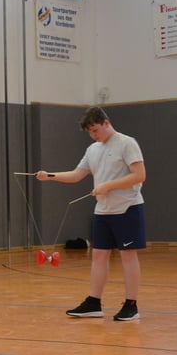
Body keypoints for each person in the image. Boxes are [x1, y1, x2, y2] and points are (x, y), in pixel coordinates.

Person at [36, 106, 146, 321]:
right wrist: (50, 176)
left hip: (128, 208)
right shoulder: (93, 149)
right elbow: (77, 175)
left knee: (127, 256)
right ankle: (93, 302)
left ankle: (131, 305)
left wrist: (107, 186)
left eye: (95, 130)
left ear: (106, 123)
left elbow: (139, 175)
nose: (94, 135)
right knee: (98, 255)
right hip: (103, 211)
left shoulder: (127, 143)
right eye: (90, 132)